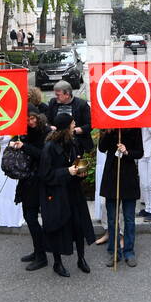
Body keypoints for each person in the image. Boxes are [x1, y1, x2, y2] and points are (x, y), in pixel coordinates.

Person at [39, 111, 95, 276]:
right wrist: (67, 171)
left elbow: (78, 160)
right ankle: (57, 263)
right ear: (65, 128)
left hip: (73, 192)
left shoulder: (74, 142)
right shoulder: (49, 147)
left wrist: (81, 171)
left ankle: (81, 258)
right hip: (56, 194)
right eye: (72, 124)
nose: (74, 126)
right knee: (59, 228)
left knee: (78, 226)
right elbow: (45, 175)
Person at [97, 127, 143, 268]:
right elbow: (101, 148)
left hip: (128, 177)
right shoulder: (108, 127)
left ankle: (129, 251)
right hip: (112, 177)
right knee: (112, 219)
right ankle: (114, 251)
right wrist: (108, 132)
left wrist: (127, 151)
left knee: (129, 219)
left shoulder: (135, 129)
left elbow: (140, 153)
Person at [11, 110, 49, 270]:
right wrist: (14, 144)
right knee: (29, 216)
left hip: (39, 180)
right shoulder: (23, 132)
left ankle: (42, 256)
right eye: (27, 119)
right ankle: (38, 251)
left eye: (32, 118)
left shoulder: (46, 132)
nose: (30, 122)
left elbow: (44, 155)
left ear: (38, 117)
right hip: (27, 180)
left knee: (32, 218)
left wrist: (24, 146)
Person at [45, 80, 93, 153]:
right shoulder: (53, 102)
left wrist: (73, 131)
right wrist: (50, 127)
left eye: (58, 95)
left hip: (77, 143)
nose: (56, 97)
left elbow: (90, 125)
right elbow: (48, 120)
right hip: (57, 143)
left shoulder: (81, 104)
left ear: (67, 94)